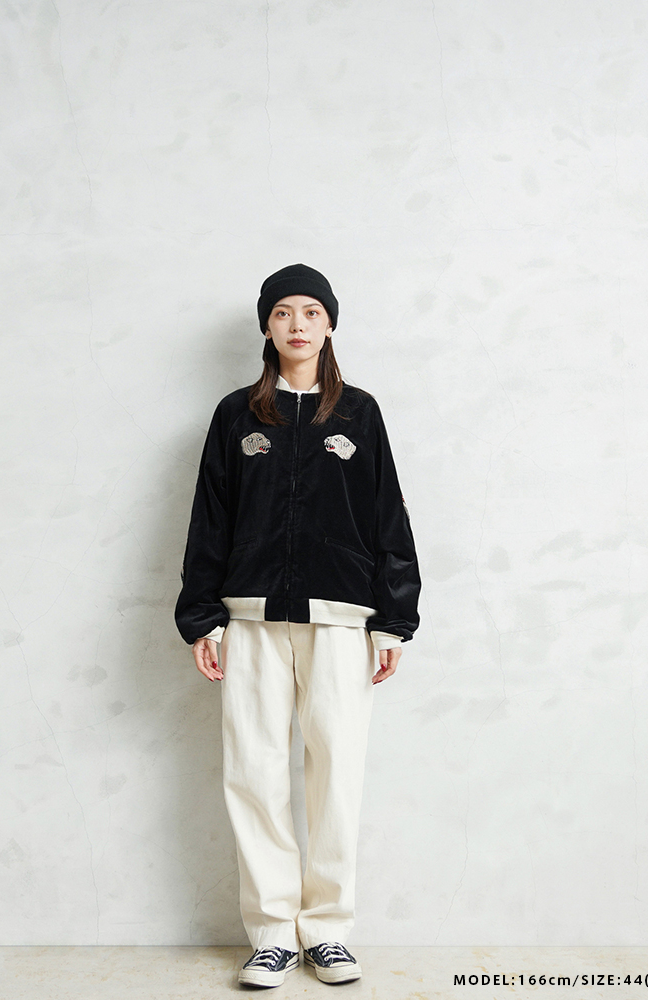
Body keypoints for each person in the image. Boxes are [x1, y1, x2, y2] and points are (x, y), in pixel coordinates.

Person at [175, 263, 421, 988]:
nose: (298, 324)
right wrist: (203, 618)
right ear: (267, 325)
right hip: (250, 620)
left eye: (311, 311)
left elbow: (388, 516)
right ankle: (272, 934)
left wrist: (393, 621)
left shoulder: (360, 414)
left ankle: (329, 931)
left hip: (342, 622)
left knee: (336, 773)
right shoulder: (237, 416)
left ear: (330, 325)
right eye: (284, 311)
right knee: (254, 772)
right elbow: (210, 519)